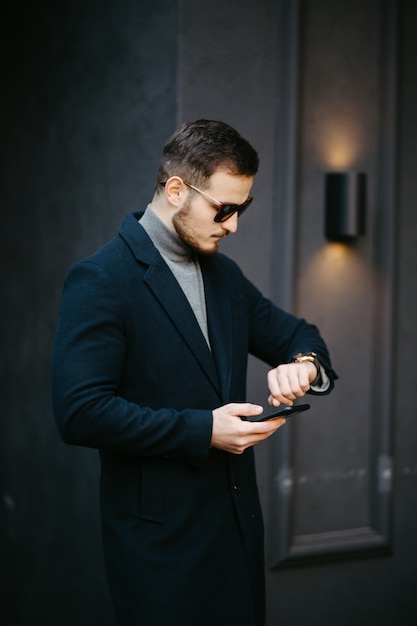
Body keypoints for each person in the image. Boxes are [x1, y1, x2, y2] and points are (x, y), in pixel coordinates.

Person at [52, 119, 337, 626]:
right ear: (177, 189)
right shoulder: (101, 279)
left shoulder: (225, 275)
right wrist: (205, 430)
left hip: (239, 538)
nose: (233, 226)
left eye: (242, 209)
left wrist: (302, 366)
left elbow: (299, 333)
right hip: (161, 555)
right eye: (224, 209)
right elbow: (80, 412)